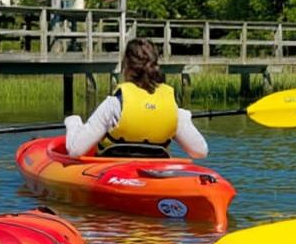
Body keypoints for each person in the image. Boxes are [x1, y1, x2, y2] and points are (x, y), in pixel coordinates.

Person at [63, 38, 208, 159]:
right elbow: (200, 152)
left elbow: (75, 150)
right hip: (154, 175)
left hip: (114, 170)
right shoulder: (171, 106)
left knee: (75, 124)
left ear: (126, 65)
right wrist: (184, 118)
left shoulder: (114, 104)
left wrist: (73, 122)